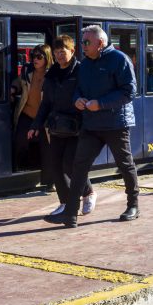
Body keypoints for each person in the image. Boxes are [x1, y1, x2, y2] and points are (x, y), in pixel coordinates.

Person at [45, 25, 140, 228]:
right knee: (78, 166)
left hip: (116, 123)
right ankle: (70, 214)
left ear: (100, 43)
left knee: (125, 165)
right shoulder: (86, 64)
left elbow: (129, 91)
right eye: (82, 42)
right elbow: (78, 89)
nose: (83, 46)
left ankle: (133, 205)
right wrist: (77, 99)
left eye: (87, 42)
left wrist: (101, 103)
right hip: (91, 124)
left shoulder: (119, 59)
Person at [29, 35, 95, 217]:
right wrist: (36, 124)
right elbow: (46, 104)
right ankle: (65, 202)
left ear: (72, 51)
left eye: (62, 51)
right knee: (55, 166)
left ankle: (88, 192)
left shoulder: (81, 72)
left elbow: (88, 96)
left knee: (69, 164)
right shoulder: (51, 75)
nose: (59, 55)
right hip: (56, 126)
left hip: (77, 126)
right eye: (56, 52)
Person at [12, 44, 52, 181]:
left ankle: (49, 180)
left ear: (46, 58)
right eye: (33, 56)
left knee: (47, 148)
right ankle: (22, 171)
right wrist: (13, 88)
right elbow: (19, 82)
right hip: (27, 114)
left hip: (44, 117)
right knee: (20, 141)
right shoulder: (27, 70)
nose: (35, 59)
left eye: (39, 57)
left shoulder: (52, 73)